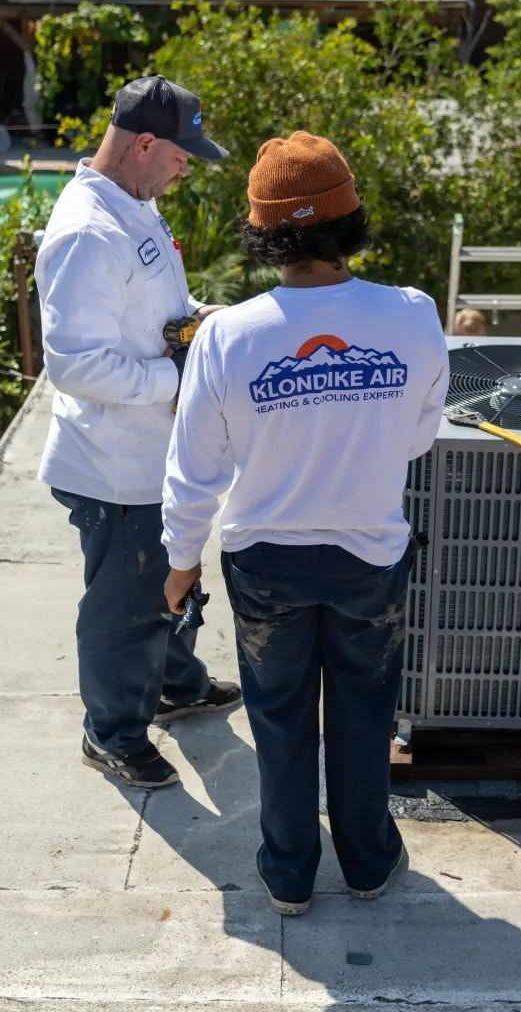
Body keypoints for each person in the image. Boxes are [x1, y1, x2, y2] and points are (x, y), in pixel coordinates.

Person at [162, 132, 449, 915]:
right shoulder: (413, 316)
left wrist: (180, 565)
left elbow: (196, 470)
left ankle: (290, 872)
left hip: (265, 565)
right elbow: (419, 436)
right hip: (369, 558)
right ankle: (366, 862)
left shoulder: (228, 334)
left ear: (264, 232)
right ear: (350, 220)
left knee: (280, 719)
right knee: (365, 714)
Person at [36, 75, 242, 790]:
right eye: (183, 152)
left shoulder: (132, 204)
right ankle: (112, 733)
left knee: (165, 578)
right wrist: (180, 380)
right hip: (113, 466)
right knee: (124, 608)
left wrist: (211, 321)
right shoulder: (89, 233)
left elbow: (160, 308)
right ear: (145, 143)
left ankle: (176, 689)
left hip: (153, 454)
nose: (190, 165)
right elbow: (76, 364)